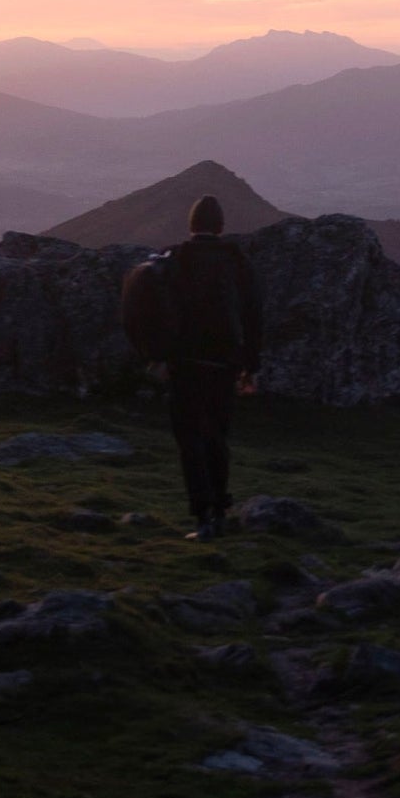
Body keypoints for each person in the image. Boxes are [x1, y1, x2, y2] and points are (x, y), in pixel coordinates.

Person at [160, 194, 262, 541]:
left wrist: (158, 356)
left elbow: (159, 311)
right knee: (217, 436)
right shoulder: (238, 262)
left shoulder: (175, 259)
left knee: (190, 438)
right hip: (225, 363)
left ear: (191, 225)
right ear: (220, 226)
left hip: (184, 363)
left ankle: (203, 516)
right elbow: (253, 315)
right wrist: (250, 367)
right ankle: (220, 510)